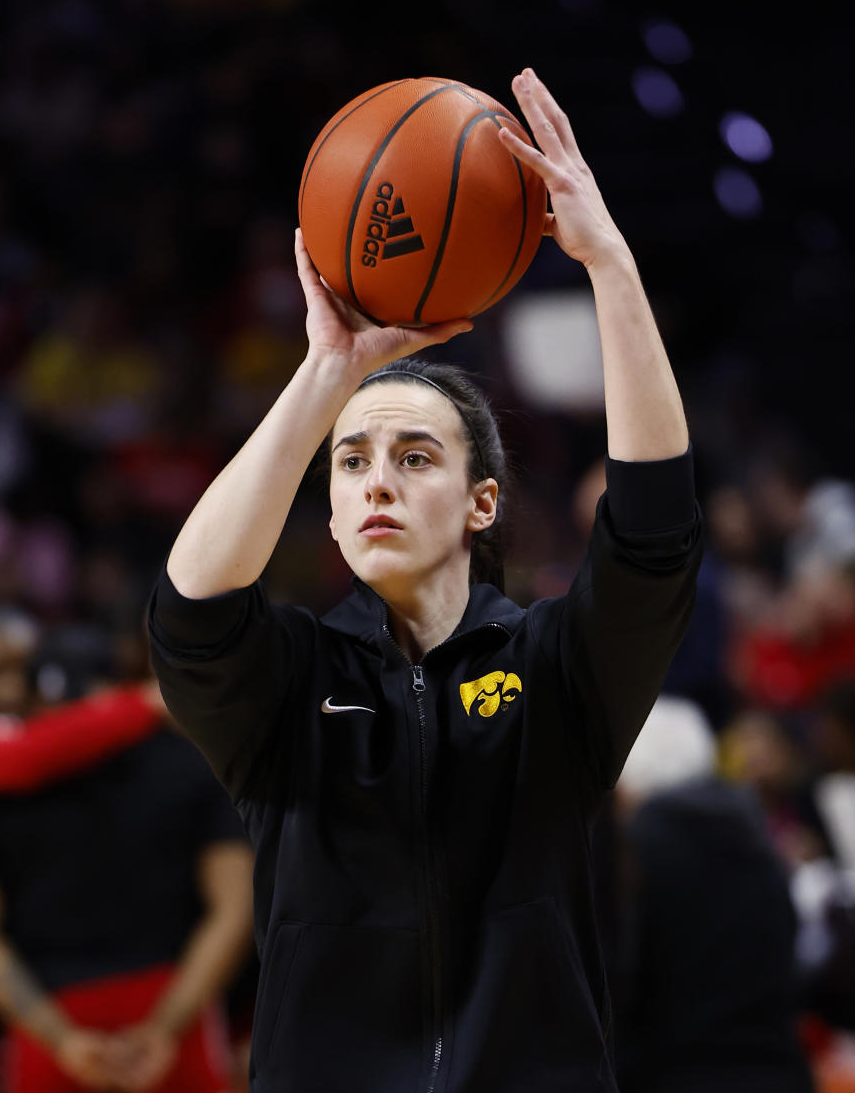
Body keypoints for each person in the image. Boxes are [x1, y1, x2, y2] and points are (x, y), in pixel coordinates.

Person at [147, 68, 703, 1092]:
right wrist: (328, 376)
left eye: (415, 457)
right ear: (328, 511)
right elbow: (191, 613)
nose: (377, 483)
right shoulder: (289, 684)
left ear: (481, 503)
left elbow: (655, 537)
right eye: (353, 463)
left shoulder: (555, 669)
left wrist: (610, 266)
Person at [0, 612, 255, 1093]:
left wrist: (58, 1036)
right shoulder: (188, 763)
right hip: (174, 1016)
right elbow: (235, 909)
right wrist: (164, 1028)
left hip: (47, 1024)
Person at [612, 695, 814, 1093]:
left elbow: (621, 977)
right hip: (778, 1071)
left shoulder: (640, 849)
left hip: (674, 1073)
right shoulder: (756, 835)